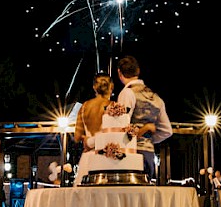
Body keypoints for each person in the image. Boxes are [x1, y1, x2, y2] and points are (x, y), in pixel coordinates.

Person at [116, 55, 172, 183]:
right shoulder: (156, 97)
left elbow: (121, 125)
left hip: (131, 153)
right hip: (149, 153)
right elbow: (167, 130)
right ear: (138, 71)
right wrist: (149, 138)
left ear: (119, 73)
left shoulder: (127, 93)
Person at [73, 74, 115, 185]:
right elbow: (114, 134)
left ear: (94, 87)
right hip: (106, 157)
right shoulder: (114, 106)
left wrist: (88, 140)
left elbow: (77, 137)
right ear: (111, 86)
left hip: (87, 158)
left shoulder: (84, 106)